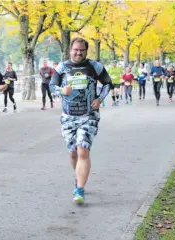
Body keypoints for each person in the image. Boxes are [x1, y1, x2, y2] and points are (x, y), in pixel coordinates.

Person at [50, 37, 111, 204]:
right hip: (68, 117)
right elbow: (52, 86)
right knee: (73, 152)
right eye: (75, 50)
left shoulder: (94, 67)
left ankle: (80, 190)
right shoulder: (62, 67)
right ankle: (78, 178)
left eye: (81, 50)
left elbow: (107, 83)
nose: (78, 53)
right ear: (70, 50)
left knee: (83, 149)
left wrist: (100, 99)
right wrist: (62, 90)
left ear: (86, 51)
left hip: (88, 116)